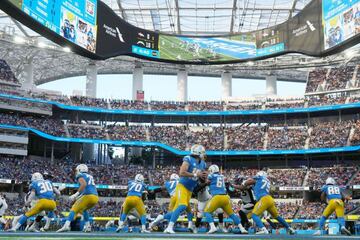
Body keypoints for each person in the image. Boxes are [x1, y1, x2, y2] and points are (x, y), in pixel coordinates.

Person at [163, 144, 207, 234]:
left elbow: (201, 178)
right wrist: (196, 175)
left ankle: (163, 219)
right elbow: (182, 172)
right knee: (182, 206)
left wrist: (204, 178)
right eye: (203, 153)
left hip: (190, 189)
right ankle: (169, 227)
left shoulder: (203, 163)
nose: (204, 154)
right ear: (199, 153)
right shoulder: (188, 159)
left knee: (187, 209)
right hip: (182, 186)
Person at [241, 171, 295, 235]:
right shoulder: (267, 181)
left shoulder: (259, 178)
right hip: (269, 199)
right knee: (276, 216)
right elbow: (256, 186)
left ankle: (263, 229)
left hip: (263, 199)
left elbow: (249, 181)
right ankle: (289, 228)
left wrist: (244, 183)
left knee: (254, 215)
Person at [203, 165, 247, 234]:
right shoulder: (222, 176)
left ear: (212, 170)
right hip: (226, 197)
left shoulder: (211, 176)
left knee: (206, 212)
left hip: (217, 197)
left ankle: (212, 227)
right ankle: (242, 228)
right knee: (232, 214)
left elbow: (207, 182)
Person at [57, 164, 98, 232]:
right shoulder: (90, 176)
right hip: (95, 197)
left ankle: (66, 225)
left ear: (79, 170)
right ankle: (88, 226)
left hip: (88, 196)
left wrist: (75, 195)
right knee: (84, 210)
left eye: (76, 170)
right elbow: (89, 188)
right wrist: (78, 197)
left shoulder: (80, 175)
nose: (75, 172)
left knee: (74, 208)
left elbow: (84, 184)